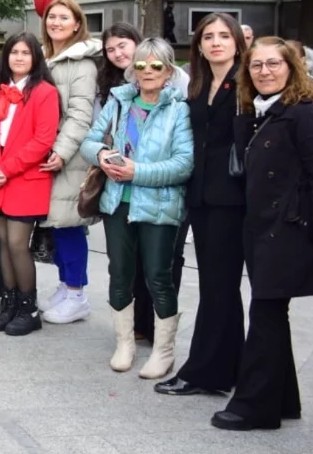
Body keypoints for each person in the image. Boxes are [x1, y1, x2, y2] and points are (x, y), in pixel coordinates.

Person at [211, 36, 313, 431]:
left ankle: (255, 406)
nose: (264, 72)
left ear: (292, 67)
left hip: (288, 231)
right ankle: (285, 400)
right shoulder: (260, 112)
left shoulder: (303, 113)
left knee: (266, 313)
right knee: (273, 312)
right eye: (256, 65)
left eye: (274, 64)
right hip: (261, 229)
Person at [81, 38, 193, 377]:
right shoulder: (118, 102)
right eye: (141, 65)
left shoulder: (179, 109)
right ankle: (124, 343)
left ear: (169, 71)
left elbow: (184, 164)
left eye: (156, 65)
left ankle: (163, 351)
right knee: (120, 274)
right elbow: (90, 142)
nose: (147, 71)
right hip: (117, 202)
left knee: (159, 276)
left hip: (160, 206)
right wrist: (101, 155)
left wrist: (137, 171)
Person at [157, 13, 249, 396]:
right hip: (200, 196)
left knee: (218, 287)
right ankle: (230, 370)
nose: (215, 43)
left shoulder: (247, 84)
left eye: (223, 36)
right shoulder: (196, 84)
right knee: (219, 286)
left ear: (237, 42)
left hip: (234, 197)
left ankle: (201, 371)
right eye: (207, 36)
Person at [0, 32, 61, 336]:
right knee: (4, 243)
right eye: (14, 52)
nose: (20, 58)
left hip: (25, 178)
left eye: (26, 52)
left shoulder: (45, 92)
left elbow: (42, 141)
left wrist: (5, 169)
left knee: (16, 244)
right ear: (6, 56)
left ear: (35, 57)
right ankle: (9, 303)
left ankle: (29, 308)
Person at [40, 0, 102, 324]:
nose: (56, 23)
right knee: (54, 224)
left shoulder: (82, 63)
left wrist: (60, 152)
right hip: (45, 153)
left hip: (68, 155)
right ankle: (65, 285)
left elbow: (80, 114)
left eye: (64, 18)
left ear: (77, 24)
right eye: (52, 17)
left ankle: (77, 294)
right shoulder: (45, 57)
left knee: (68, 225)